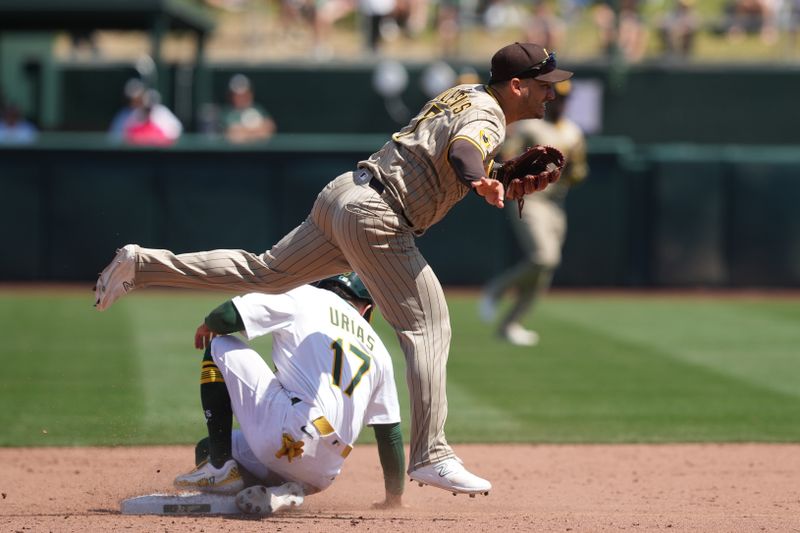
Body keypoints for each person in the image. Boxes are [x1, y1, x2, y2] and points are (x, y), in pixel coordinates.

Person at [94, 42, 572, 495]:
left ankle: (141, 265)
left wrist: (490, 172)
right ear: (515, 85)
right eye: (543, 83)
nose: (551, 91)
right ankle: (430, 452)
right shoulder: (488, 113)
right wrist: (479, 180)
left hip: (344, 195)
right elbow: (464, 148)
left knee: (263, 272)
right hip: (380, 217)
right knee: (429, 325)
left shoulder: (464, 93)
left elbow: (449, 145)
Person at [173, 273, 405, 512]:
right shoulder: (380, 352)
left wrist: (209, 324)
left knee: (219, 345)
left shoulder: (305, 295)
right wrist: (393, 499)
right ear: (366, 309)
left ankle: (220, 467)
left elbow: (226, 316)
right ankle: (284, 492)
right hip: (325, 472)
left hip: (289, 432)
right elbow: (391, 435)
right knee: (207, 447)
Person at [480, 79, 588, 346]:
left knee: (544, 272)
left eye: (565, 99)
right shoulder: (531, 127)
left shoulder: (573, 132)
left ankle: (510, 324)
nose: (560, 103)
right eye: (557, 98)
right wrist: (521, 168)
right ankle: (497, 289)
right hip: (532, 200)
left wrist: (573, 171)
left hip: (556, 203)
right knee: (544, 257)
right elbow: (507, 156)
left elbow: (579, 171)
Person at [222, 74, 276, 144]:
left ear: (250, 94)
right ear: (232, 96)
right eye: (237, 95)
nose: (241, 98)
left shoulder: (258, 109)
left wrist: (243, 132)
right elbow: (232, 135)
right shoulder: (227, 112)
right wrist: (256, 131)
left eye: (244, 94)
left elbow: (269, 129)